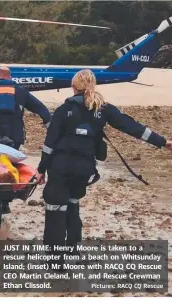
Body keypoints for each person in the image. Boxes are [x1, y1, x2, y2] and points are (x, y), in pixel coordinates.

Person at [36, 69, 172, 267]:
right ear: (93, 86)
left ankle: (55, 263)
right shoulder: (103, 108)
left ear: (74, 87)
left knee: (55, 210)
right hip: (84, 168)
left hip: (61, 167)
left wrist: (41, 169)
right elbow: (132, 126)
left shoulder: (63, 110)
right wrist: (162, 142)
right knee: (72, 206)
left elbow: (50, 143)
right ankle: (73, 253)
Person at [0, 66, 51, 228]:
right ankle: (6, 201)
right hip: (14, 140)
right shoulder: (20, 91)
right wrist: (49, 124)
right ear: (10, 77)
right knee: (12, 169)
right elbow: (40, 107)